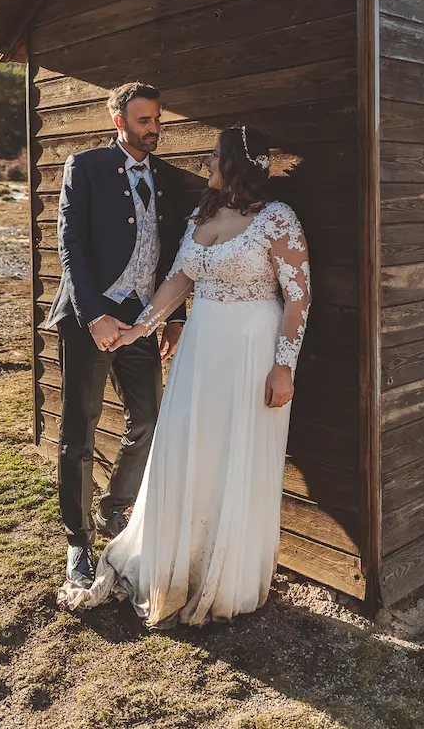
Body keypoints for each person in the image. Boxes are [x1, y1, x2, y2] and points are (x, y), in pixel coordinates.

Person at [57, 125, 311, 627]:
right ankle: (177, 558)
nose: (204, 166)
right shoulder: (204, 213)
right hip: (200, 348)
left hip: (251, 349)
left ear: (235, 162)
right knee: (187, 447)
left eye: (212, 157)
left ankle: (225, 574)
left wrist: (284, 365)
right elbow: (177, 282)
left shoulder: (277, 219)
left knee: (234, 454)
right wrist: (138, 331)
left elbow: (298, 298)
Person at [45, 82, 188, 590]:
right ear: (119, 122)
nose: (154, 129)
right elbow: (71, 245)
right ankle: (78, 542)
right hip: (92, 321)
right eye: (144, 120)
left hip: (143, 321)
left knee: (148, 420)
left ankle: (113, 509)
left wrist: (174, 318)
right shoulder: (84, 167)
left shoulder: (168, 178)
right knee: (78, 435)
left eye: (157, 119)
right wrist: (92, 316)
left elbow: (175, 256)